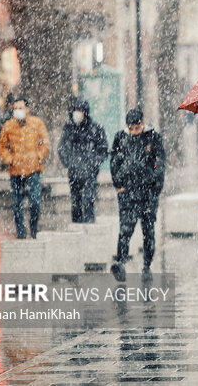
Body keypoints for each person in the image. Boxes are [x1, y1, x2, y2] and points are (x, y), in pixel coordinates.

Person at [110, 108, 165, 281]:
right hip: (128, 192)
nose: (133, 132)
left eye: (136, 128)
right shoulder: (120, 138)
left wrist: (155, 189)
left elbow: (160, 164)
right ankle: (121, 262)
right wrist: (119, 185)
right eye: (131, 128)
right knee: (125, 229)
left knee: (148, 231)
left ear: (142, 124)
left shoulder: (153, 138)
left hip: (147, 193)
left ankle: (146, 265)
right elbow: (114, 162)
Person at [0, 98, 50, 239]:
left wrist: (38, 156)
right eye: (15, 108)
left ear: (27, 109)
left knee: (35, 202)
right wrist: (10, 160)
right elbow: (1, 147)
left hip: (34, 169)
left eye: (20, 108)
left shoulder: (37, 123)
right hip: (15, 170)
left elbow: (45, 143)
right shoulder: (8, 126)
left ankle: (33, 229)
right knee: (17, 204)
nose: (18, 111)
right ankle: (21, 233)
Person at [58, 98, 108, 223]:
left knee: (89, 199)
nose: (77, 113)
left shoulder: (95, 129)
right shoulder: (68, 129)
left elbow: (103, 149)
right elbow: (62, 148)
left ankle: (89, 225)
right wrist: (69, 163)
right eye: (75, 110)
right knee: (76, 202)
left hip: (90, 172)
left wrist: (93, 163)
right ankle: (77, 226)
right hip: (74, 171)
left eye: (80, 110)